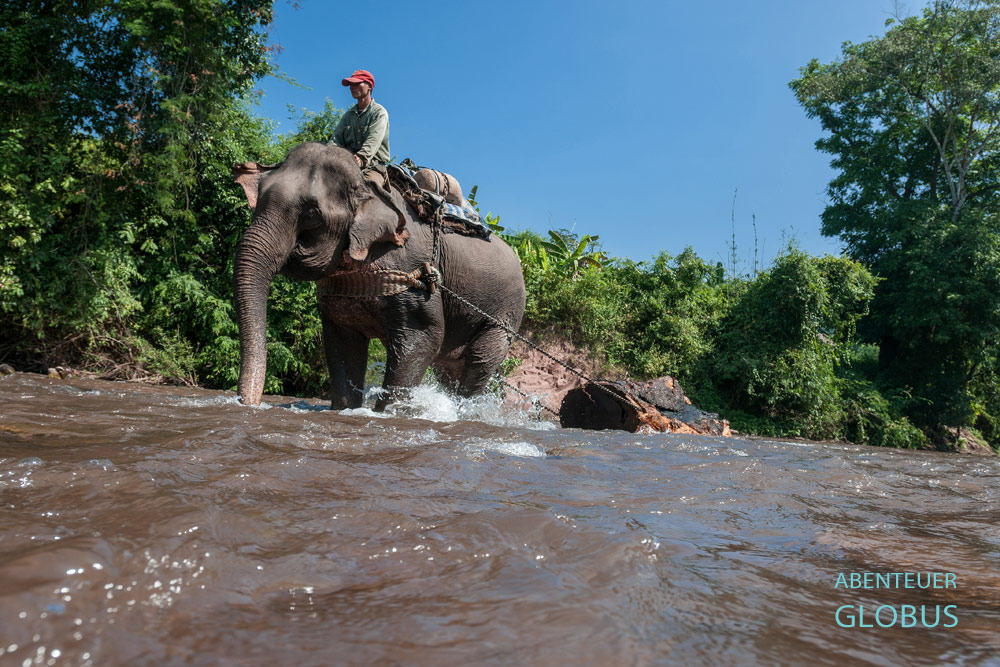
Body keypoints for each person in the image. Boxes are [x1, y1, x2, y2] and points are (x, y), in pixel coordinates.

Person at [329, 69, 390, 189]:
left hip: (373, 168)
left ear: (369, 86)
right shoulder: (348, 116)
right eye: (351, 84)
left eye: (357, 83)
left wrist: (361, 158)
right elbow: (335, 140)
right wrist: (329, 155)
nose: (352, 87)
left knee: (364, 191)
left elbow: (374, 139)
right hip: (347, 166)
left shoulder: (379, 113)